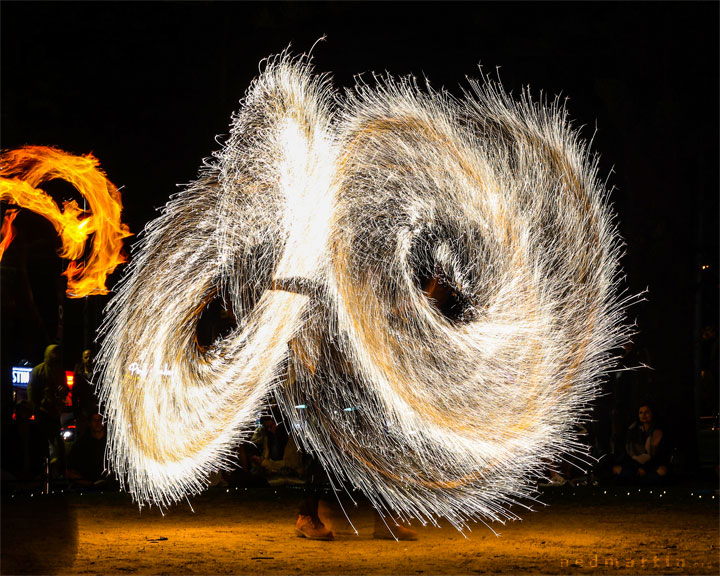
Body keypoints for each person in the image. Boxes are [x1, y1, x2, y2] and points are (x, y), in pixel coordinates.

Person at [27, 344, 68, 477]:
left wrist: (63, 391)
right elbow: (31, 390)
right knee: (43, 442)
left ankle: (58, 469)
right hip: (42, 412)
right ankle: (42, 470)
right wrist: (35, 408)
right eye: (53, 353)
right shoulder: (38, 370)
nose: (56, 356)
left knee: (56, 441)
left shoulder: (59, 371)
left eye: (57, 353)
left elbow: (65, 389)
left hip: (55, 413)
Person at [612, 402, 668, 483]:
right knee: (617, 469)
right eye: (641, 413)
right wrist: (637, 468)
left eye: (647, 412)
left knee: (662, 471)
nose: (643, 415)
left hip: (652, 465)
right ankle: (642, 479)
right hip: (635, 466)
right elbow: (628, 454)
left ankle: (640, 480)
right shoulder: (632, 431)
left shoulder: (658, 431)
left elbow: (660, 455)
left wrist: (645, 468)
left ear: (652, 413)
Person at [67, 412, 111, 486]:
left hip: (110, 488)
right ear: (89, 423)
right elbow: (70, 472)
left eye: (100, 420)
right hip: (87, 488)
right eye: (94, 420)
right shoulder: (80, 445)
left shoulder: (111, 444)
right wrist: (90, 484)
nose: (98, 423)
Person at [72, 349, 99, 438]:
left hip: (95, 412)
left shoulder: (98, 375)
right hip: (83, 412)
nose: (88, 359)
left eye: (90, 357)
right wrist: (77, 413)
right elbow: (74, 395)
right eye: (86, 357)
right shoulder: (78, 376)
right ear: (82, 359)